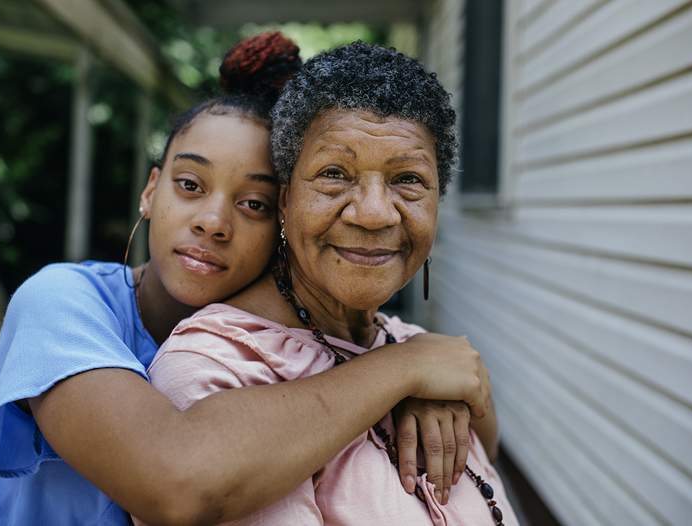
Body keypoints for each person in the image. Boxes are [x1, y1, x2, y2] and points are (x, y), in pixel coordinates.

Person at [0, 34, 494, 526]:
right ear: (149, 191)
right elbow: (173, 479)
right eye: (189, 184)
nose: (212, 221)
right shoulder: (62, 302)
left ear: (284, 217)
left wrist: (426, 386)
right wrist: (404, 369)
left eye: (252, 203)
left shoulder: (293, 342)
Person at [146, 42, 516, 525]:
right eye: (334, 174)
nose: (374, 213)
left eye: (408, 179)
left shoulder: (426, 356)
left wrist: (430, 373)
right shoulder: (216, 367)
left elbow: (486, 453)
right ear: (284, 202)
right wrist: (404, 369)